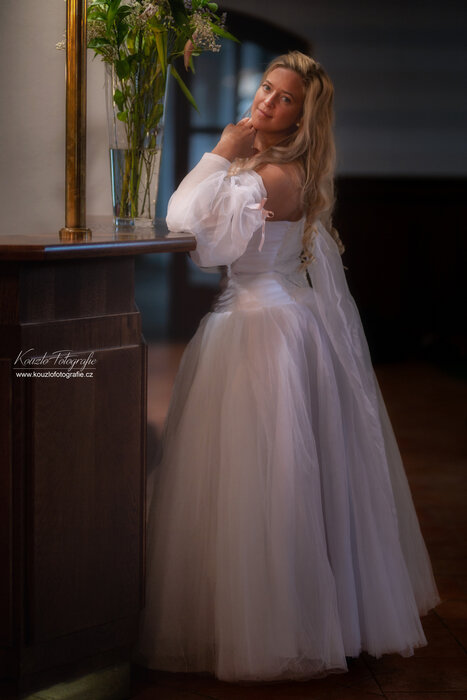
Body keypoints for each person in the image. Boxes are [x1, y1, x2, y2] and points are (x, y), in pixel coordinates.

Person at [138, 51, 439, 682]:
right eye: (267, 89)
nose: (267, 103)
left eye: (285, 99)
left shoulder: (273, 177)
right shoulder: (271, 167)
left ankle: (277, 626)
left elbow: (190, 231)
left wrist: (219, 152)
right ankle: (292, 614)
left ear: (303, 117)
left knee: (269, 482)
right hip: (272, 317)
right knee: (269, 477)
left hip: (261, 330)